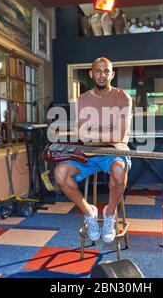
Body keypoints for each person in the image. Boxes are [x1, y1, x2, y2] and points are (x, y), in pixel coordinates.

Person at [54, 57, 132, 243]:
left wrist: (92, 133)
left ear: (112, 74)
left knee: (119, 170)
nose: (102, 74)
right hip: (87, 153)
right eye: (98, 70)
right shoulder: (82, 99)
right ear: (91, 73)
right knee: (60, 172)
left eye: (106, 71)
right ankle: (90, 213)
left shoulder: (123, 98)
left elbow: (118, 137)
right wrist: (103, 133)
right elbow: (80, 133)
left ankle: (109, 214)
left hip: (114, 152)